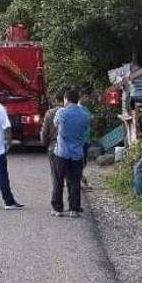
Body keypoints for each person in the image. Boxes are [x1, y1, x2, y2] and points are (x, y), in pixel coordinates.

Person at [50, 87, 91, 217]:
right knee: (74, 182)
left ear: (66, 99)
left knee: (58, 181)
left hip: (62, 152)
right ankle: (74, 209)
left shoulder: (61, 112)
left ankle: (58, 209)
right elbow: (85, 129)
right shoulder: (85, 115)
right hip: (77, 153)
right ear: (78, 99)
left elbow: (56, 124)